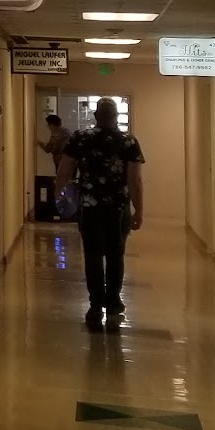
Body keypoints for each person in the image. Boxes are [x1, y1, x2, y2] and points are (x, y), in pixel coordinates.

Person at [56, 98, 143, 331]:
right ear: (116, 117)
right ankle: (113, 303)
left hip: (90, 207)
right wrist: (139, 209)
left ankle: (95, 306)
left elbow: (64, 171)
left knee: (93, 256)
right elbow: (134, 179)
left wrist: (61, 198)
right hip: (118, 208)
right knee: (115, 255)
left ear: (96, 116)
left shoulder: (81, 138)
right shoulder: (128, 142)